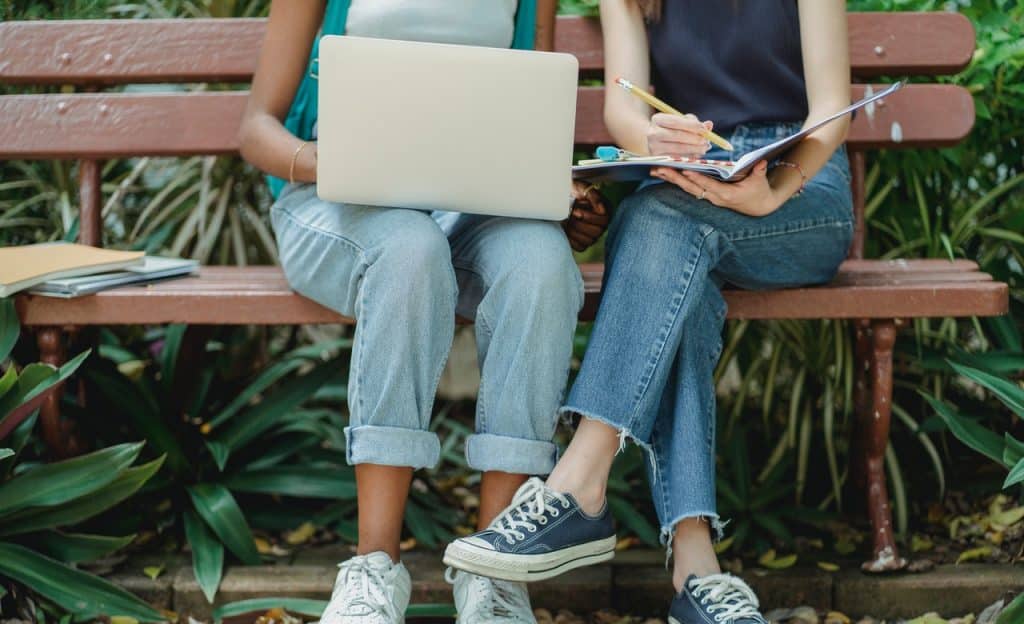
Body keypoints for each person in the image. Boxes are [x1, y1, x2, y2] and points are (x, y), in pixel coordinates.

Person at [446, 1, 854, 622]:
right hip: (690, 181)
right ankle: (698, 577)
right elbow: (623, 109)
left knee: (654, 221)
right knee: (673, 259)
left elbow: (830, 109)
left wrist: (773, 187)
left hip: (799, 188)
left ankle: (580, 480)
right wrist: (656, 141)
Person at [237, 2, 609, 622]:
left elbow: (530, 124)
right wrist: (332, 163)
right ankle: (374, 570)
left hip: (469, 206)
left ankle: (496, 576)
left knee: (541, 263)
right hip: (333, 203)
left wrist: (557, 192)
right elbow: (257, 128)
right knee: (410, 251)